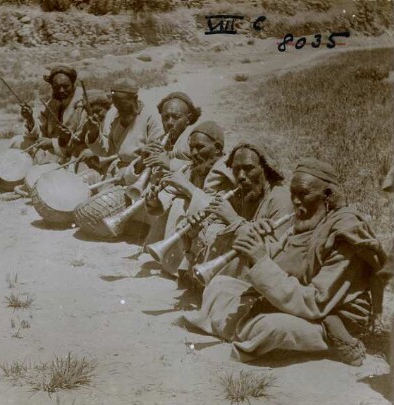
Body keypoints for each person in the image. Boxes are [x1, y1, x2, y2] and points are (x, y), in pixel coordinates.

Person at [182, 159, 389, 366]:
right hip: (296, 301)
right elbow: (286, 263)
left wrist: (261, 260)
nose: (297, 202)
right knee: (219, 286)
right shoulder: (309, 219)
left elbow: (316, 301)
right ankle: (250, 330)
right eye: (293, 194)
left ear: (327, 195)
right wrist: (259, 243)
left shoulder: (344, 234)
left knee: (267, 327)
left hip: (328, 313)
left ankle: (332, 338)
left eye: (303, 194)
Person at [181, 142, 294, 283]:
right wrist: (194, 230)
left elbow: (275, 254)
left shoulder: (281, 199)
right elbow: (208, 231)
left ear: (266, 169)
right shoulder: (239, 193)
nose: (240, 176)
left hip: (260, 281)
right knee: (212, 229)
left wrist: (233, 219)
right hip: (227, 277)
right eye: (236, 170)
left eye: (248, 169)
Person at [144, 121, 234, 276]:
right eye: (191, 147)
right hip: (196, 229)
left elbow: (217, 209)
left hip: (219, 232)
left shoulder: (225, 171)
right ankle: (175, 264)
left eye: (200, 147)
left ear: (218, 148)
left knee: (181, 202)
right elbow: (167, 197)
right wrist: (153, 200)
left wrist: (186, 186)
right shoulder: (194, 167)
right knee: (178, 201)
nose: (194, 152)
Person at [83, 78, 164, 187]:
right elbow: (106, 150)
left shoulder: (151, 116)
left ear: (135, 99)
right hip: (119, 173)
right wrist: (94, 133)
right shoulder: (113, 114)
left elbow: (155, 154)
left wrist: (139, 161)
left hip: (142, 175)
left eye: (124, 105)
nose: (120, 110)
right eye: (117, 105)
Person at [11, 65, 87, 165]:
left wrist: (53, 143)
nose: (61, 91)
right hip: (51, 149)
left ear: (73, 84)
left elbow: (83, 140)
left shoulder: (84, 105)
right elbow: (41, 131)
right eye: (56, 87)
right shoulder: (52, 103)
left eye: (65, 86)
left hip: (73, 150)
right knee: (17, 142)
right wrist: (30, 119)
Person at [141, 91, 202, 173]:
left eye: (176, 117)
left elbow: (203, 170)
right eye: (165, 117)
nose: (169, 122)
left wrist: (170, 164)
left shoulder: (194, 141)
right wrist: (141, 161)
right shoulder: (158, 141)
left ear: (188, 119)